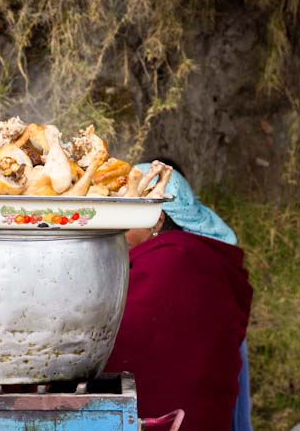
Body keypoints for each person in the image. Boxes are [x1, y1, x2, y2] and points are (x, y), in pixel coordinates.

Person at [105, 161, 253, 431]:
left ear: (156, 219)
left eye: (126, 214)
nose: (115, 227)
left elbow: (113, 342)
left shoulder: (172, 263)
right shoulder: (206, 265)